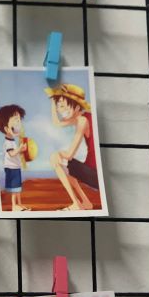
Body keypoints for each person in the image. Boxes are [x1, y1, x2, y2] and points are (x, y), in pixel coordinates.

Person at [45, 83, 99, 211]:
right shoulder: (81, 118)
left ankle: (76, 204)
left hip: (95, 174)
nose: (61, 110)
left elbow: (69, 155)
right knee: (65, 165)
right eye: (59, 106)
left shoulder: (82, 121)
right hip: (92, 171)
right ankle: (85, 202)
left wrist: (59, 154)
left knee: (55, 158)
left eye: (64, 106)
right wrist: (53, 103)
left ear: (77, 106)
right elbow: (57, 123)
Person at [0, 103, 31, 211]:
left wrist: (21, 150)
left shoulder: (13, 141)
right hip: (11, 168)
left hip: (15, 167)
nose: (19, 124)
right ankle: (14, 206)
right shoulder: (8, 143)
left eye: (19, 120)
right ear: (6, 128)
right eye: (15, 121)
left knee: (18, 188)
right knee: (14, 188)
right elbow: (11, 154)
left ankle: (19, 204)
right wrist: (19, 149)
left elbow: (15, 153)